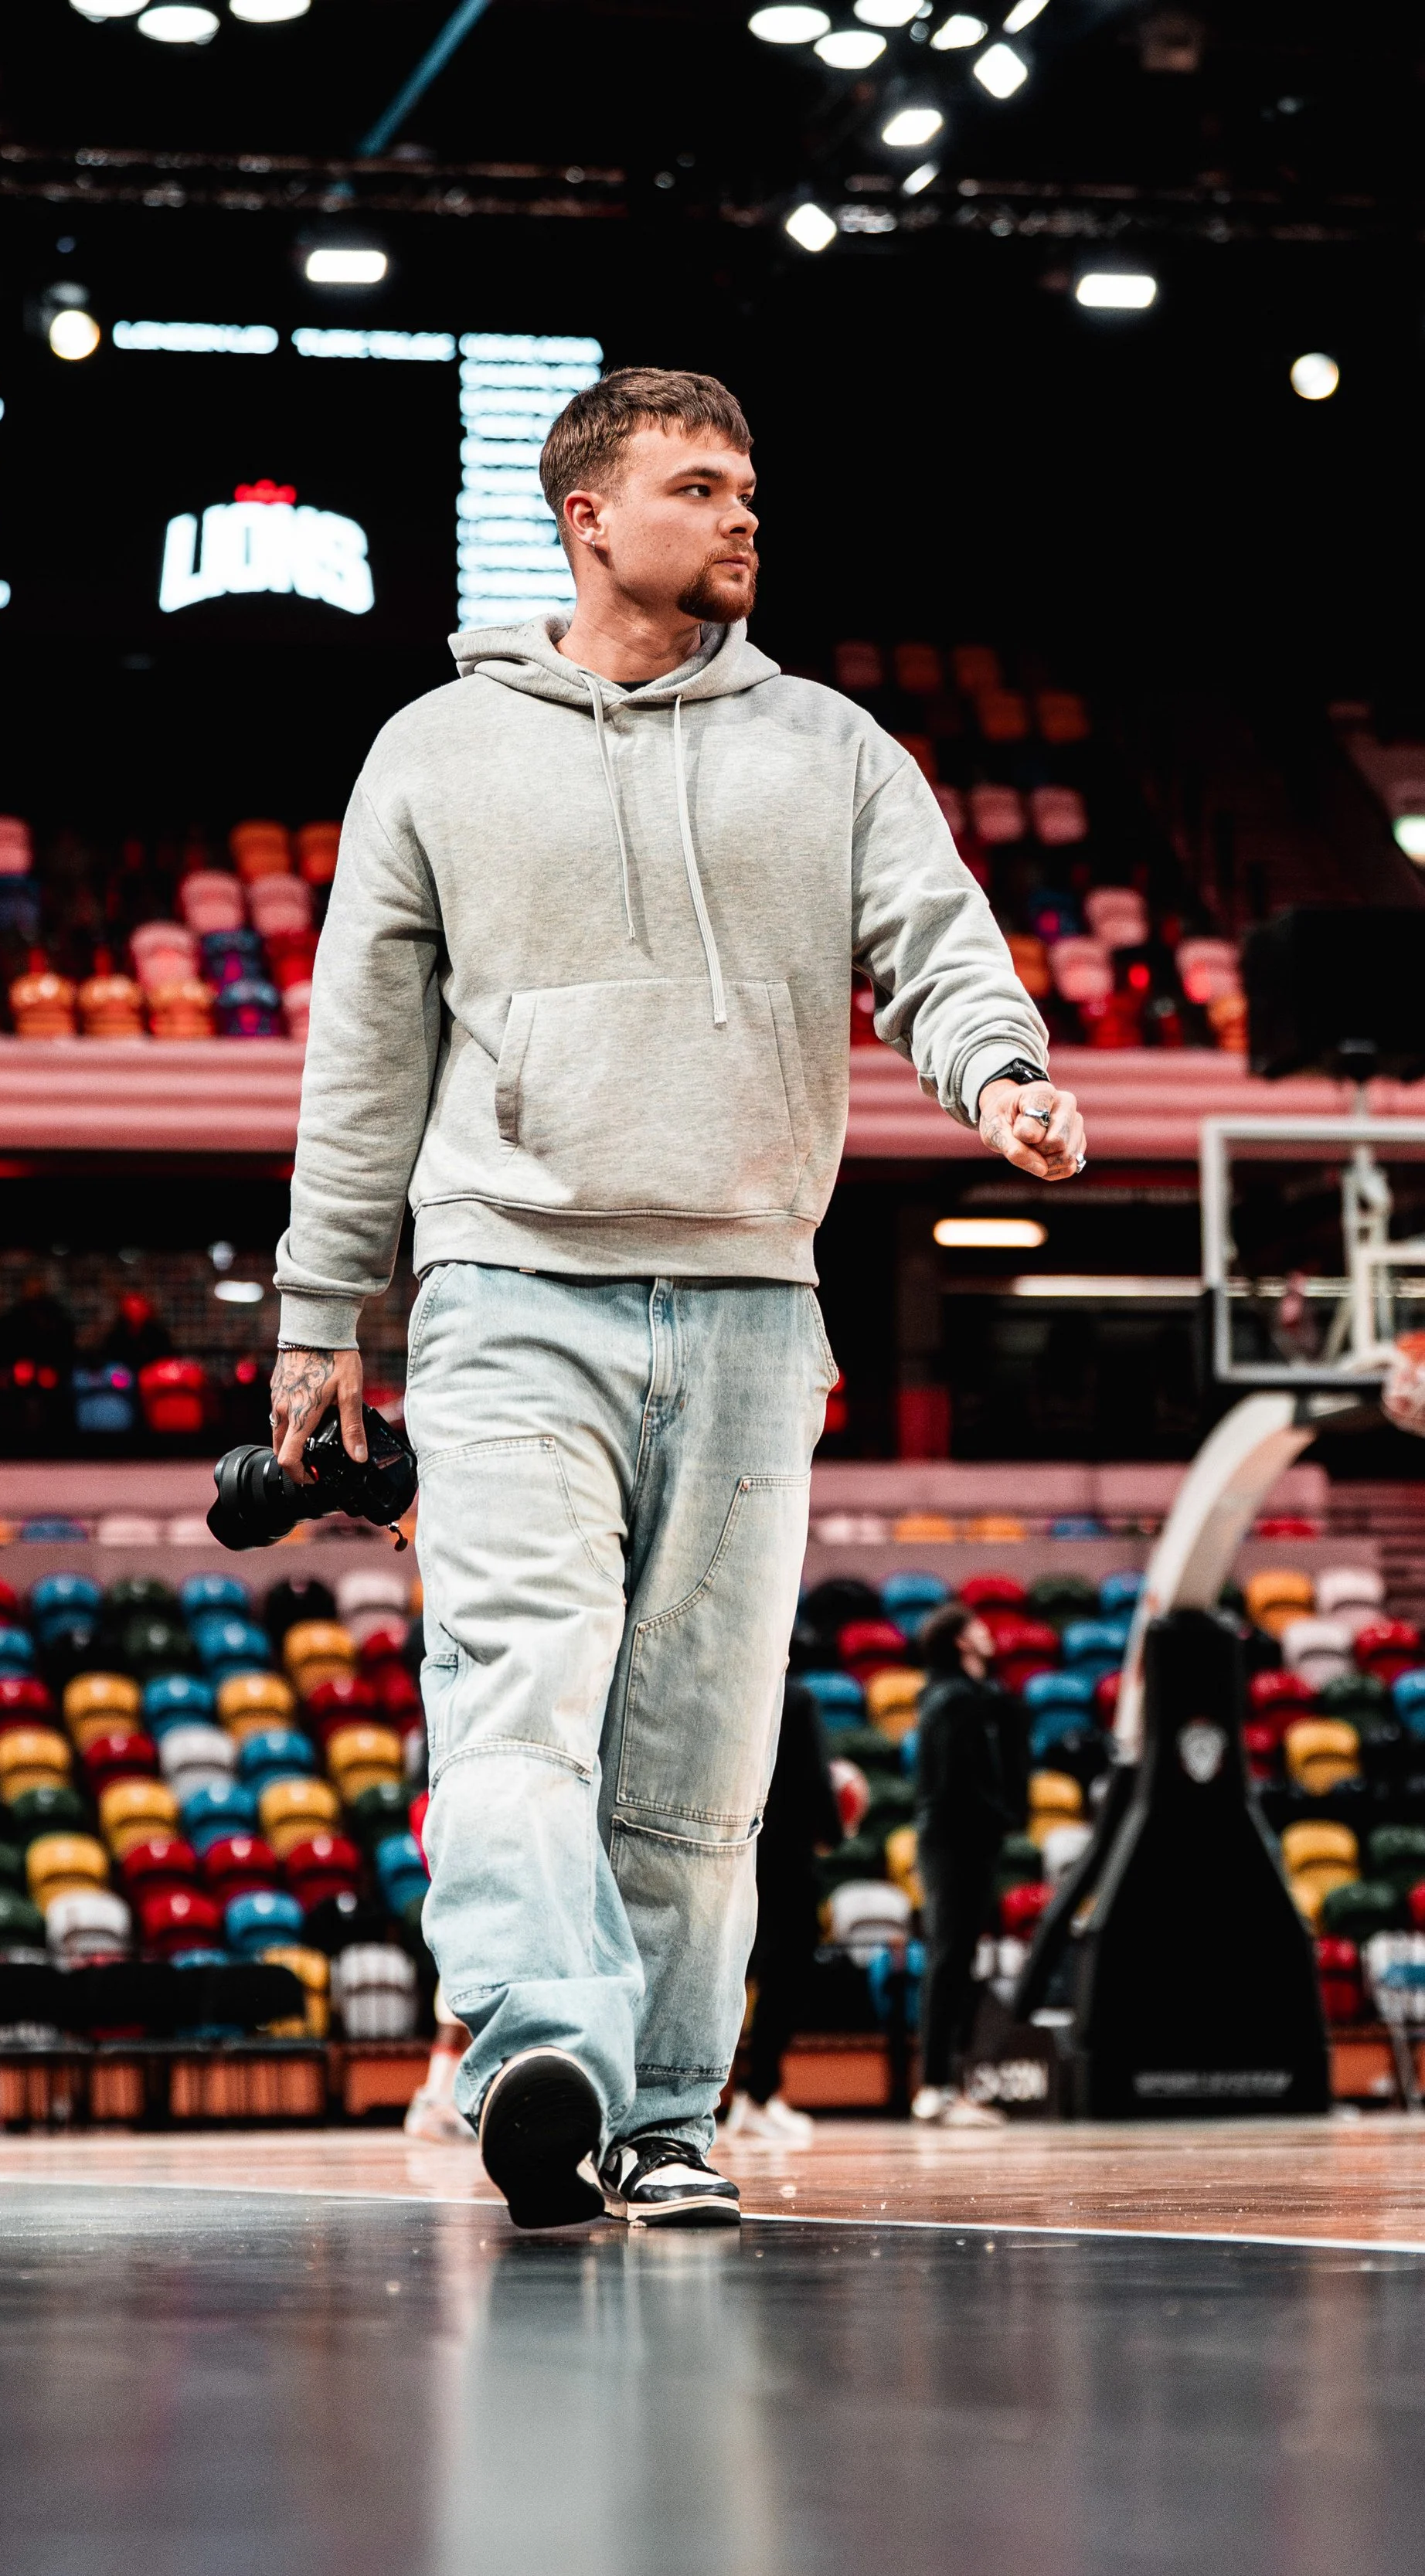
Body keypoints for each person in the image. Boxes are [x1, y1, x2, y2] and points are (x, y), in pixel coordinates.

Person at [269, 366, 1087, 2230]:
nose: (740, 519)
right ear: (588, 519)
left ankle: (657, 2110)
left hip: (745, 1304)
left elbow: (937, 952)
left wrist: (1002, 1076)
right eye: (701, 489)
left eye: (748, 492)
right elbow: (362, 1050)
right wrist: (326, 1303)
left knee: (702, 1760)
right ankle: (545, 2042)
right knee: (515, 1702)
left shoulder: (836, 748)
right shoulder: (436, 750)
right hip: (503, 1290)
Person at [910, 1604, 1030, 2129]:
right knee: (950, 1958)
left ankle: (945, 2085)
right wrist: (1002, 1814)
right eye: (977, 1628)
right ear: (961, 1642)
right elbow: (957, 1782)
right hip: (956, 1841)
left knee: (956, 1958)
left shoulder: (972, 1697)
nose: (988, 1633)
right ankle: (936, 2086)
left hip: (964, 1840)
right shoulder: (954, 1700)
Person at [722, 1679, 841, 2146]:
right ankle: (758, 2095)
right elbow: (816, 1777)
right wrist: (834, 1830)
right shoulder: (796, 1697)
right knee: (787, 1972)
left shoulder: (737, 1689)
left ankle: (742, 2098)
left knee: (738, 1970)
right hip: (788, 1856)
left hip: (738, 1850)